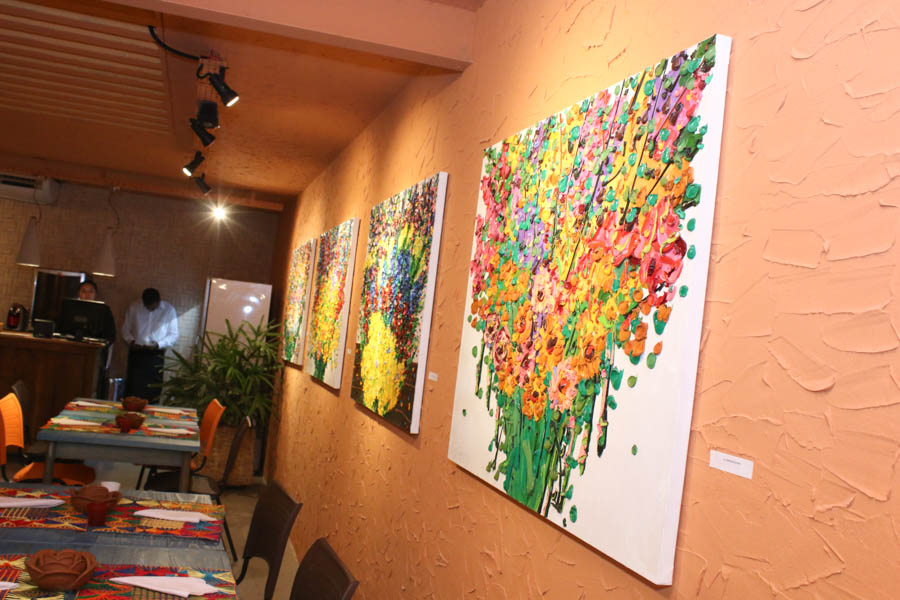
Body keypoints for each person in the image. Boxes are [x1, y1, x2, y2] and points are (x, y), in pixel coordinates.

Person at [122, 288, 179, 402]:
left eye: (152, 306)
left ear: (158, 301)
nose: (149, 309)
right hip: (137, 353)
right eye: (146, 306)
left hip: (156, 354)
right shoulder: (134, 307)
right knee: (134, 388)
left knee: (153, 390)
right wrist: (131, 341)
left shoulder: (169, 310)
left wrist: (159, 344)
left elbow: (174, 335)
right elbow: (125, 329)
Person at [78, 279, 117, 398]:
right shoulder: (72, 308)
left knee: (93, 385)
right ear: (79, 294)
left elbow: (111, 334)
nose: (87, 295)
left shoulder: (104, 310)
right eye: (84, 291)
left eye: (90, 291)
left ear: (96, 294)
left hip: (96, 353)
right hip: (76, 350)